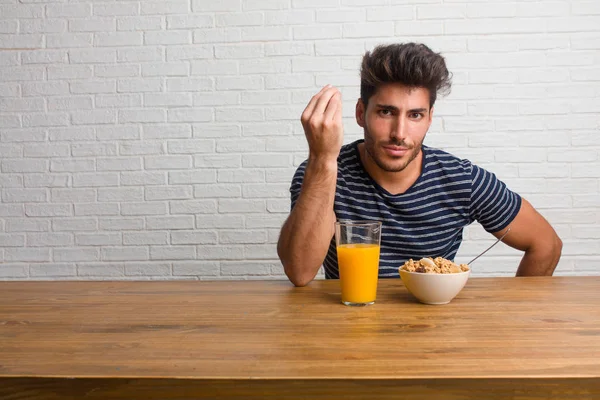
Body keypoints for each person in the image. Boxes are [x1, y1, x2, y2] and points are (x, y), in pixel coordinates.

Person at [277, 42, 562, 287]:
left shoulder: (461, 180)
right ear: (361, 113)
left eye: (415, 115)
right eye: (386, 112)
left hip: (434, 334)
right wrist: (323, 159)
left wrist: (521, 315)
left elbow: (546, 245)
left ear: (429, 118)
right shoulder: (321, 173)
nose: (399, 133)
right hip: (350, 327)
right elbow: (300, 272)